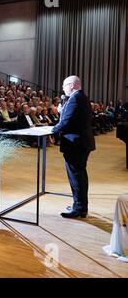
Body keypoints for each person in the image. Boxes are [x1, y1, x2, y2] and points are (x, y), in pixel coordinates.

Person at [52, 76, 95, 218]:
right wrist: (62, 111)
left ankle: (79, 208)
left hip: (75, 144)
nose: (63, 89)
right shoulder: (83, 97)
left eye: (64, 86)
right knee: (80, 175)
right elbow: (73, 117)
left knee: (76, 177)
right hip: (82, 142)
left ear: (71, 85)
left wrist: (52, 130)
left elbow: (66, 122)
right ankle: (81, 206)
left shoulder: (75, 99)